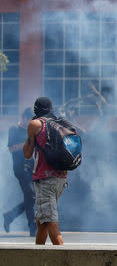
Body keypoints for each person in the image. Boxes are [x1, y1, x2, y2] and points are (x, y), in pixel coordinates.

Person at [23, 97, 67, 245]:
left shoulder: (35, 124)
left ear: (36, 109)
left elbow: (27, 153)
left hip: (45, 180)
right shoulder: (59, 123)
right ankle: (38, 260)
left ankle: (64, 264)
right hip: (61, 178)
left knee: (50, 222)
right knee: (41, 222)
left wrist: (29, 134)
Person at [3, 108, 36, 236]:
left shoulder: (31, 131)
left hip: (31, 167)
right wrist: (28, 142)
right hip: (20, 168)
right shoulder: (14, 129)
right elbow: (12, 148)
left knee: (32, 198)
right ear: (24, 118)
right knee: (31, 195)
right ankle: (32, 227)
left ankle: (10, 215)